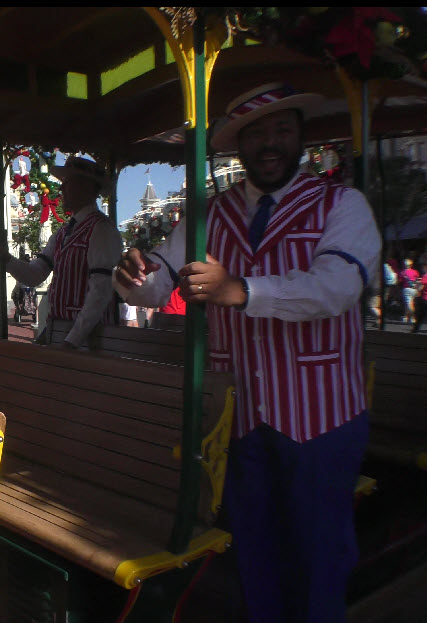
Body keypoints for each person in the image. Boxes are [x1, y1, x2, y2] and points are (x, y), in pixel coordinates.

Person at [115, 82, 380, 622]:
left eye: (282, 130)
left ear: (300, 136)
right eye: (257, 133)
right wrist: (132, 277)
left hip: (321, 420)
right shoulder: (207, 215)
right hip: (238, 422)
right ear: (239, 145)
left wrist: (241, 289)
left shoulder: (342, 205)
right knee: (255, 560)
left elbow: (336, 287)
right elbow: (159, 279)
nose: (270, 143)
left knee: (320, 560)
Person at [0, 156, 123, 349]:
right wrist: (7, 260)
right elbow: (35, 275)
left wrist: (71, 341)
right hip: (61, 331)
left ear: (85, 187)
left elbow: (100, 292)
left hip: (93, 340)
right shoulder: (63, 233)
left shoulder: (101, 230)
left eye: (67, 183)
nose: (61, 190)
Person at [412, 255, 427, 333]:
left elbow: (420, 287)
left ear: (426, 268)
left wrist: (416, 285)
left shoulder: (426, 276)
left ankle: (415, 329)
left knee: (421, 315)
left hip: (426, 299)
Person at [398, 257, 420, 323]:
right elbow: (418, 281)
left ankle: (412, 318)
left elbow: (399, 281)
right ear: (411, 265)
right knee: (408, 303)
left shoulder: (402, 272)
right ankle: (405, 316)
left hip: (406, 289)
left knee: (409, 304)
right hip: (414, 289)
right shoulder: (415, 272)